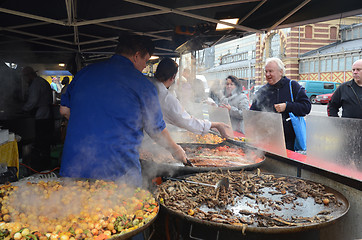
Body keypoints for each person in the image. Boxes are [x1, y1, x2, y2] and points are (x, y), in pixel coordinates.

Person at [59, 32, 187, 187]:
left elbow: (64, 111)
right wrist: (176, 150)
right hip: (116, 172)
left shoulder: (84, 73)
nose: (145, 66)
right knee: (120, 211)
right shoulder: (143, 85)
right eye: (145, 61)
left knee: (75, 209)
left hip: (74, 166)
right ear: (136, 56)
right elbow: (156, 131)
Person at [151, 57, 233, 138]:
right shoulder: (165, 97)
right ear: (173, 77)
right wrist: (216, 125)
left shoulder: (147, 83)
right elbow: (185, 120)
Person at [250, 57, 311, 151]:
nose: (267, 74)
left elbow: (306, 107)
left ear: (281, 72)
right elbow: (252, 114)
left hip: (289, 141)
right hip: (266, 139)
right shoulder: (261, 91)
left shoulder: (293, 86)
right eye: (266, 71)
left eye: (270, 71)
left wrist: (287, 106)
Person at [22, 66, 53, 171]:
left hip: (41, 117)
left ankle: (40, 166)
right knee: (45, 143)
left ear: (29, 75)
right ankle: (45, 164)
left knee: (40, 142)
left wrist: (23, 109)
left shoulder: (36, 84)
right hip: (46, 115)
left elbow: (32, 101)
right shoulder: (42, 81)